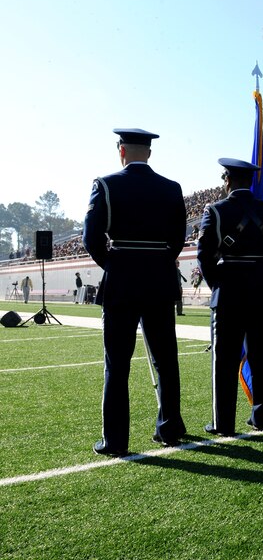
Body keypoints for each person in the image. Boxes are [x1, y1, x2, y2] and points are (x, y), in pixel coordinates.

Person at [83, 128, 187, 456]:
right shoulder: (171, 189)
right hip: (159, 279)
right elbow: (178, 239)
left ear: (121, 151)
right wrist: (156, 261)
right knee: (166, 360)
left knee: (117, 364)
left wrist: (114, 263)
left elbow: (91, 236)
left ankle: (115, 440)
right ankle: (169, 428)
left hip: (122, 280)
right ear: (149, 153)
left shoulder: (106, 185)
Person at [197, 158, 263, 436]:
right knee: (259, 356)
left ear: (228, 180)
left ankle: (224, 423)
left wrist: (217, 284)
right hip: (259, 288)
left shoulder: (216, 211)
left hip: (229, 288)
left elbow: (204, 256)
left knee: (226, 359)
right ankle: (261, 417)